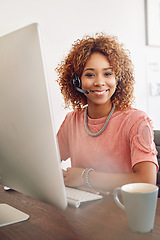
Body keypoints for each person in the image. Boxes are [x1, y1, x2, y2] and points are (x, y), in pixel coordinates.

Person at [55, 33, 158, 193]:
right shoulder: (72, 120)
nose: (99, 82)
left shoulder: (136, 120)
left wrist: (84, 177)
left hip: (121, 210)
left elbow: (146, 180)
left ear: (118, 78)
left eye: (108, 73)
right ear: (76, 81)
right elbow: (46, 163)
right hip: (82, 210)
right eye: (89, 74)